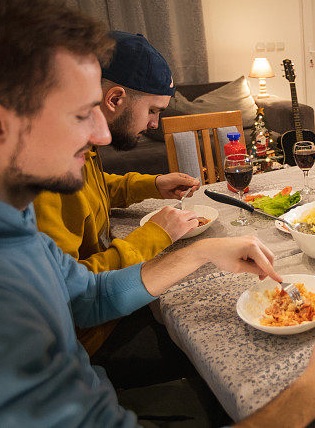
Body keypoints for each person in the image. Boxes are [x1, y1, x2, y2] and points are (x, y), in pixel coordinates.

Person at [0, 0, 315, 426]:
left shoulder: (14, 226)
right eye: (81, 114)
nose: (100, 133)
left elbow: (88, 296)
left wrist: (202, 251)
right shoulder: (7, 306)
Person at [31, 31, 205, 353]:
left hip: (100, 310)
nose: (155, 124)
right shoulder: (48, 171)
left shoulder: (76, 140)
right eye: (153, 110)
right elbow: (66, 292)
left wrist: (152, 184)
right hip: (82, 340)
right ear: (115, 99)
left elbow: (93, 191)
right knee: (198, 328)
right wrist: (155, 235)